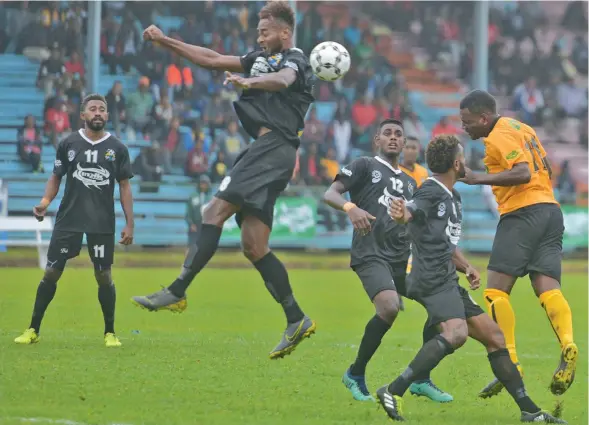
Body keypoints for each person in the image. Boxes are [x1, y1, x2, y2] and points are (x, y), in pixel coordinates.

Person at [131, 1, 316, 359]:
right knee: (254, 245)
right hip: (265, 150)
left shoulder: (296, 58)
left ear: (284, 32)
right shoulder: (259, 58)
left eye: (265, 32)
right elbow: (212, 59)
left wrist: (251, 80)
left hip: (274, 147)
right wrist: (166, 41)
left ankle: (177, 289)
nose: (260, 38)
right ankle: (296, 319)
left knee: (213, 212)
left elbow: (284, 80)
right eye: (258, 32)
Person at [377, 135, 566, 424]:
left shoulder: (451, 195)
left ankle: (530, 411)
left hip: (445, 276)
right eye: (463, 157)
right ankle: (393, 390)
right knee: (456, 333)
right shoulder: (431, 189)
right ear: (456, 163)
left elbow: (443, 241)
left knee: (494, 336)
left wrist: (466, 267)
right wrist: (403, 214)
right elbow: (411, 211)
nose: (465, 161)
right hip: (430, 277)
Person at [323, 120, 452, 403]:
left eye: (398, 134)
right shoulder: (364, 165)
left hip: (401, 257)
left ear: (404, 143)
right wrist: (350, 207)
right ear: (377, 140)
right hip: (370, 253)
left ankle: (421, 378)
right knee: (389, 306)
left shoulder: (409, 182)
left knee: (439, 305)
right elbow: (330, 193)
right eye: (387, 134)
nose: (393, 138)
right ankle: (355, 373)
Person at [459, 90, 577, 397]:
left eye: (468, 122)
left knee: (496, 291)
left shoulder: (497, 136)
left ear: (484, 118)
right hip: (550, 210)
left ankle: (509, 363)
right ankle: (568, 343)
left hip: (522, 213)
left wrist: (476, 178)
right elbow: (543, 169)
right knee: (548, 289)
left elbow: (523, 173)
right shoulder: (521, 127)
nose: (465, 127)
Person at [14, 94, 135, 348]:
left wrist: (129, 223)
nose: (98, 113)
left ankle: (109, 333)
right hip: (69, 219)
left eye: (102, 109)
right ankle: (33, 329)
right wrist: (45, 202)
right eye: (93, 109)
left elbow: (124, 186)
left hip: (101, 222)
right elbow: (56, 176)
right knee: (51, 272)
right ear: (83, 115)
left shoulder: (118, 149)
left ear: (108, 116)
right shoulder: (68, 143)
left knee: (103, 275)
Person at [186, 175, 213, 247]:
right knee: (192, 246)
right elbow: (188, 213)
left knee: (204, 247)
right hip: (195, 225)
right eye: (202, 183)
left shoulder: (211, 198)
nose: (203, 186)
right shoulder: (193, 196)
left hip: (206, 226)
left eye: (205, 184)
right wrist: (191, 224)